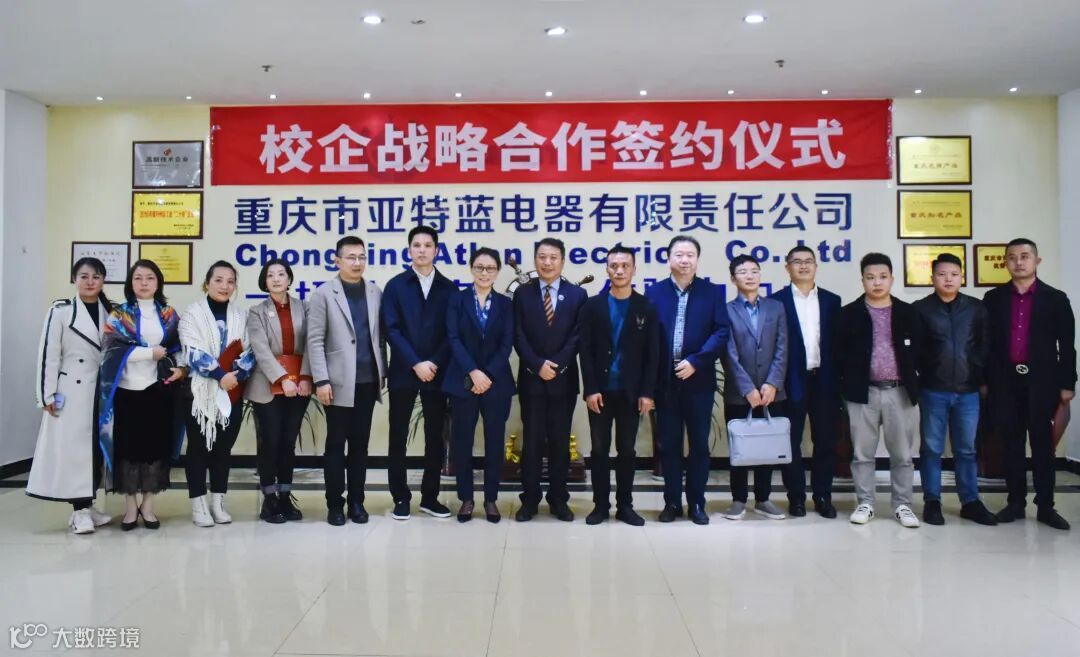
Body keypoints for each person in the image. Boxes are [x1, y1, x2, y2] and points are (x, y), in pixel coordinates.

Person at [985, 238, 1076, 530]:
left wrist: (1067, 384)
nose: (1018, 262)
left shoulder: (1056, 298)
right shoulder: (993, 299)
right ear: (1005, 262)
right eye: (1012, 257)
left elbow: (1067, 345)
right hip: (1005, 382)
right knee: (1011, 443)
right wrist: (986, 381)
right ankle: (1015, 502)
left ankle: (1046, 506)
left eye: (1025, 256)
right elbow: (986, 345)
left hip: (1043, 382)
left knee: (1042, 445)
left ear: (1037, 261)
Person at [646, 236, 730, 525]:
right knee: (669, 446)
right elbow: (647, 338)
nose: (684, 260)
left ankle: (696, 503)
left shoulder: (712, 293)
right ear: (668, 258)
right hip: (665, 383)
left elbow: (721, 331)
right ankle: (671, 502)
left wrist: (697, 360)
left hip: (699, 381)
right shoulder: (654, 293)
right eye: (679, 254)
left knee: (699, 446)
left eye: (690, 255)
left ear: (697, 259)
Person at [834, 253, 923, 528]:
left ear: (892, 279)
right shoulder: (848, 314)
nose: (877, 283)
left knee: (903, 455)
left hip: (900, 391)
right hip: (863, 393)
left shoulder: (908, 312)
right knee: (862, 454)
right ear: (862, 280)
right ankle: (865, 503)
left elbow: (922, 352)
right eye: (870, 277)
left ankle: (903, 505)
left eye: (883, 277)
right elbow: (838, 355)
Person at [28, 258, 114, 534]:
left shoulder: (111, 312)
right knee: (75, 451)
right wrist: (46, 394)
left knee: (96, 450)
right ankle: (79, 512)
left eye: (96, 277)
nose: (90, 282)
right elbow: (49, 354)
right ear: (74, 279)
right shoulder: (61, 311)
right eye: (84, 276)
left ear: (103, 280)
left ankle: (88, 504)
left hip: (101, 391)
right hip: (72, 391)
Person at [98, 260, 185, 531]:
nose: (144, 283)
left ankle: (148, 505)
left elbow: (178, 347)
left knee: (155, 449)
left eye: (150, 278)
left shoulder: (169, 314)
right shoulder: (119, 314)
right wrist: (150, 353)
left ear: (158, 282)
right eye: (138, 278)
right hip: (126, 391)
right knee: (128, 450)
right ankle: (130, 507)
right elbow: (110, 349)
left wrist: (180, 368)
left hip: (158, 389)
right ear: (130, 283)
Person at [912, 253, 998, 526]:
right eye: (942, 274)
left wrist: (980, 377)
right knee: (931, 448)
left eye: (953, 274)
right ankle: (932, 502)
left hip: (968, 391)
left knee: (966, 450)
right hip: (933, 390)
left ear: (962, 277)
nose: (948, 279)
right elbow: (914, 350)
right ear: (932, 278)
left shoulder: (976, 308)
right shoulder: (920, 309)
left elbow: (985, 345)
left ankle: (970, 502)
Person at [307, 236, 386, 526]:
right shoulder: (323, 294)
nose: (357, 262)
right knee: (336, 444)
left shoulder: (375, 292)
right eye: (351, 257)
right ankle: (334, 504)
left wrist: (383, 373)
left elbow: (380, 338)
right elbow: (315, 340)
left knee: (360, 446)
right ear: (337, 260)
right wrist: (321, 380)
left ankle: (356, 502)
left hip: (367, 380)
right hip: (336, 382)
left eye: (362, 257)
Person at [578, 245, 659, 526]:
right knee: (599, 450)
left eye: (625, 265)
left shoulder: (646, 307)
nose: (619, 270)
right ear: (607, 269)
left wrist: (647, 392)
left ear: (634, 269)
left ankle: (626, 506)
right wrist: (590, 389)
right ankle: (600, 505)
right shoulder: (593, 306)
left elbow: (652, 354)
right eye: (614, 265)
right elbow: (585, 351)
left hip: (631, 393)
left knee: (627, 450)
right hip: (600, 392)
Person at [381, 225, 457, 520]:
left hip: (437, 372)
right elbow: (391, 329)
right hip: (403, 370)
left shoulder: (448, 288)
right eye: (417, 245)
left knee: (435, 436)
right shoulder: (396, 286)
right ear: (409, 250)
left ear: (436, 250)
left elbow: (452, 333)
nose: (422, 250)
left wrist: (432, 363)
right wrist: (415, 363)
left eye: (428, 245)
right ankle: (400, 497)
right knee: (398, 436)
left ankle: (430, 497)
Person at [513, 237, 588, 522]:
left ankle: (559, 499)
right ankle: (529, 500)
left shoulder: (577, 295)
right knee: (531, 443)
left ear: (562, 261)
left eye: (553, 257)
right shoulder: (523, 294)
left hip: (563, 380)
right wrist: (537, 364)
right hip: (531, 379)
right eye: (542, 257)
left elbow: (578, 335)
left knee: (560, 442)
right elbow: (517, 334)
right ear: (535, 260)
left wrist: (556, 365)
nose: (547, 262)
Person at [179, 261, 255, 528]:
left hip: (232, 390)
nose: (225, 286)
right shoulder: (192, 314)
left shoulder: (241, 315)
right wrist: (220, 375)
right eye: (219, 280)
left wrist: (237, 374)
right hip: (200, 391)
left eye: (230, 281)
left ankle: (218, 502)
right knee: (198, 448)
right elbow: (192, 350)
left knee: (223, 448)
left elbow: (250, 350)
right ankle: (198, 504)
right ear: (207, 283)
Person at [771, 245, 843, 518]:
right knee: (790, 443)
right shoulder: (776, 301)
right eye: (797, 261)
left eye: (808, 261)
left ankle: (823, 496)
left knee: (825, 441)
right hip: (791, 381)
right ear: (787, 267)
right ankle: (796, 498)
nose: (803, 266)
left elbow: (837, 344)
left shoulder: (832, 300)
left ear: (816, 266)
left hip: (824, 380)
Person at [444, 248, 515, 523]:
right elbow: (453, 338)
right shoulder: (457, 299)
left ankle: (491, 499)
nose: (484, 273)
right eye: (479, 267)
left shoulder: (506, 304)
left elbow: (506, 344)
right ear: (471, 269)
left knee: (495, 442)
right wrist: (474, 372)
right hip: (463, 380)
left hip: (496, 383)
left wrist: (487, 375)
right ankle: (466, 498)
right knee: (462, 441)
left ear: (497, 272)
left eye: (490, 268)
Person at [721, 255, 789, 521]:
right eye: (743, 272)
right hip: (739, 393)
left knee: (767, 445)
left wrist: (772, 383)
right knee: (740, 447)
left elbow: (782, 348)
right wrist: (747, 388)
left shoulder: (776, 308)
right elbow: (728, 354)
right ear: (733, 278)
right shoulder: (726, 311)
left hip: (772, 392)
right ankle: (738, 500)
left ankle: (763, 499)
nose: (749, 276)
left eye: (754, 271)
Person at [246, 259, 312, 524]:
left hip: (299, 385)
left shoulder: (304, 308)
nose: (276, 279)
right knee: (270, 441)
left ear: (289, 279)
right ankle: (269, 499)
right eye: (270, 275)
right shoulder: (257, 312)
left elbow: (312, 343)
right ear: (265, 281)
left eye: (281, 274)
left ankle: (285, 496)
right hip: (267, 384)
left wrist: (305, 376)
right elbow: (260, 348)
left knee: (288, 442)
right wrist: (282, 377)